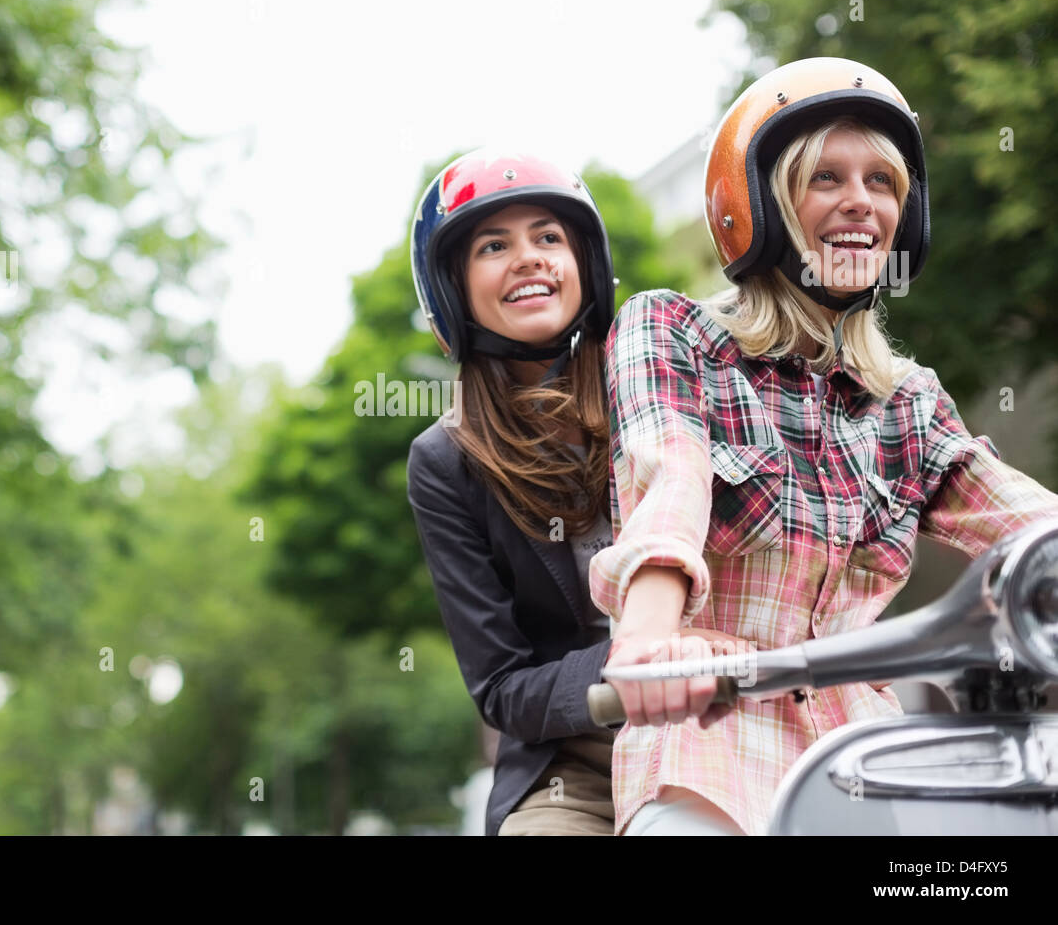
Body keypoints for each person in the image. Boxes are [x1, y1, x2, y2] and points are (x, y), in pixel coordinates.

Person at [590, 57, 1058, 836]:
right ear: (762, 208)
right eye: (826, 179)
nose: (861, 204)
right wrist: (647, 644)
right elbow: (668, 477)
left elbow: (1025, 520)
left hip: (862, 761)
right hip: (708, 736)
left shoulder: (910, 400)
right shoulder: (672, 333)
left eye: (883, 183)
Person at [406, 149, 690, 835]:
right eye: (493, 245)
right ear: (453, 289)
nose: (527, 257)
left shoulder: (663, 377)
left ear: (585, 265)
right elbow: (501, 689)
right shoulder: (443, 461)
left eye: (548, 237)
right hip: (581, 758)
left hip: (723, 713)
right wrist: (635, 666)